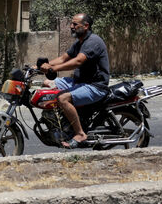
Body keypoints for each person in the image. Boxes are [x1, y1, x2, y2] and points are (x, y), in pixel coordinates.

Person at [37, 13, 110, 149]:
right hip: (78, 82)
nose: (71, 26)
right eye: (71, 24)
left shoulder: (93, 42)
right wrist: (40, 67)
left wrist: (53, 69)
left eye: (75, 24)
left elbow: (77, 61)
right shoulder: (79, 43)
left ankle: (80, 134)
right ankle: (61, 120)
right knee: (47, 83)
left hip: (95, 86)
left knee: (63, 98)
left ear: (86, 26)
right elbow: (63, 58)